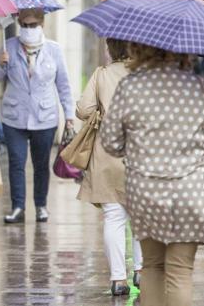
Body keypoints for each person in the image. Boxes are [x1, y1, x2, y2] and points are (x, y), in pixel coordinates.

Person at [100, 42, 204, 306]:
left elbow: (110, 142)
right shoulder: (203, 89)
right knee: (179, 271)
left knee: (152, 266)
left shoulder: (130, 88)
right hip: (191, 193)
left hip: (146, 193)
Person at [0, 8, 74, 224]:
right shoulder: (9, 46)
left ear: (42, 24)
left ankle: (40, 205)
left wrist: (70, 115)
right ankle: (18, 207)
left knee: (40, 163)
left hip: (44, 117)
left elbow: (63, 85)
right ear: (19, 25)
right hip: (14, 116)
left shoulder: (54, 50)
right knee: (16, 162)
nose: (29, 29)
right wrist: (1, 63)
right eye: (24, 25)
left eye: (33, 25)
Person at [75, 39, 142, 296]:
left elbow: (84, 109)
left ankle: (118, 279)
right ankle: (141, 271)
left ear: (112, 49)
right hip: (140, 154)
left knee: (114, 217)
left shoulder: (101, 75)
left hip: (107, 154)